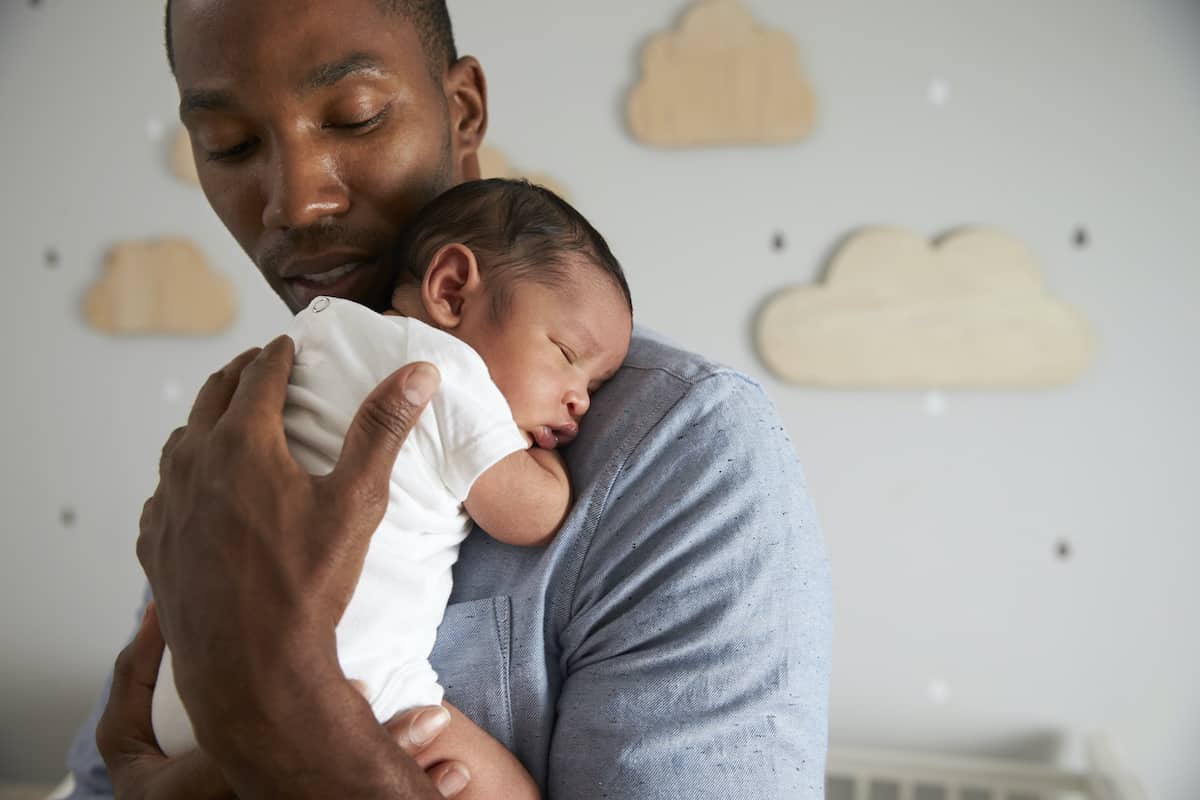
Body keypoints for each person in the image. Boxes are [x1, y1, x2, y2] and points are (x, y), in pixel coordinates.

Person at [65, 1, 833, 797]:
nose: (294, 204)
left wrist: (299, 720)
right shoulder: (245, 430)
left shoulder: (685, 454)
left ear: (461, 110)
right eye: (230, 144)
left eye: (355, 118)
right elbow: (111, 768)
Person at [149, 178, 633, 800]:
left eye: (595, 383)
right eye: (567, 353)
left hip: (184, 700)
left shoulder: (316, 333)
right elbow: (531, 515)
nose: (580, 400)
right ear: (452, 288)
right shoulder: (449, 374)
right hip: (354, 691)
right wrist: (549, 463)